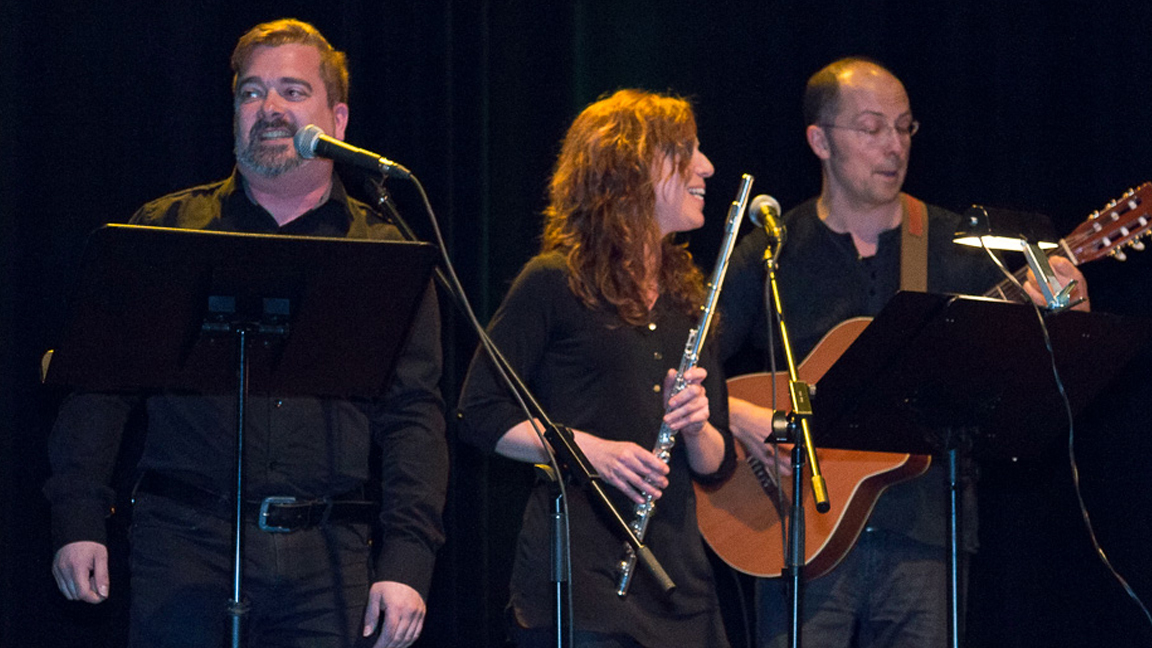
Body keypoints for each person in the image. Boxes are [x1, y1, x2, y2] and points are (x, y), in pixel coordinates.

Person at [44, 19, 448, 648]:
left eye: (292, 91)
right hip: (183, 548)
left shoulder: (383, 250)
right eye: (251, 93)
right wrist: (77, 516)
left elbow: (414, 417)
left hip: (331, 563)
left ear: (337, 120)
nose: (269, 108)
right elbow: (100, 386)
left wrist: (407, 561)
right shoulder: (169, 231)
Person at [717, 57, 1089, 647]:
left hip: (925, 534)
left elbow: (1031, 375)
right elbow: (686, 365)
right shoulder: (772, 251)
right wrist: (744, 416)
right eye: (871, 128)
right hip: (796, 529)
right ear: (819, 140)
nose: (893, 145)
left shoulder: (957, 245)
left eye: (904, 127)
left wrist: (1062, 310)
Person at [457, 89, 736, 648]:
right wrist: (591, 451)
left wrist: (698, 425)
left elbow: (715, 464)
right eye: (686, 152)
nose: (705, 167)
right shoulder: (554, 281)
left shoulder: (688, 298)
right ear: (631, 167)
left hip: (679, 585)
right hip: (581, 585)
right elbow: (477, 412)